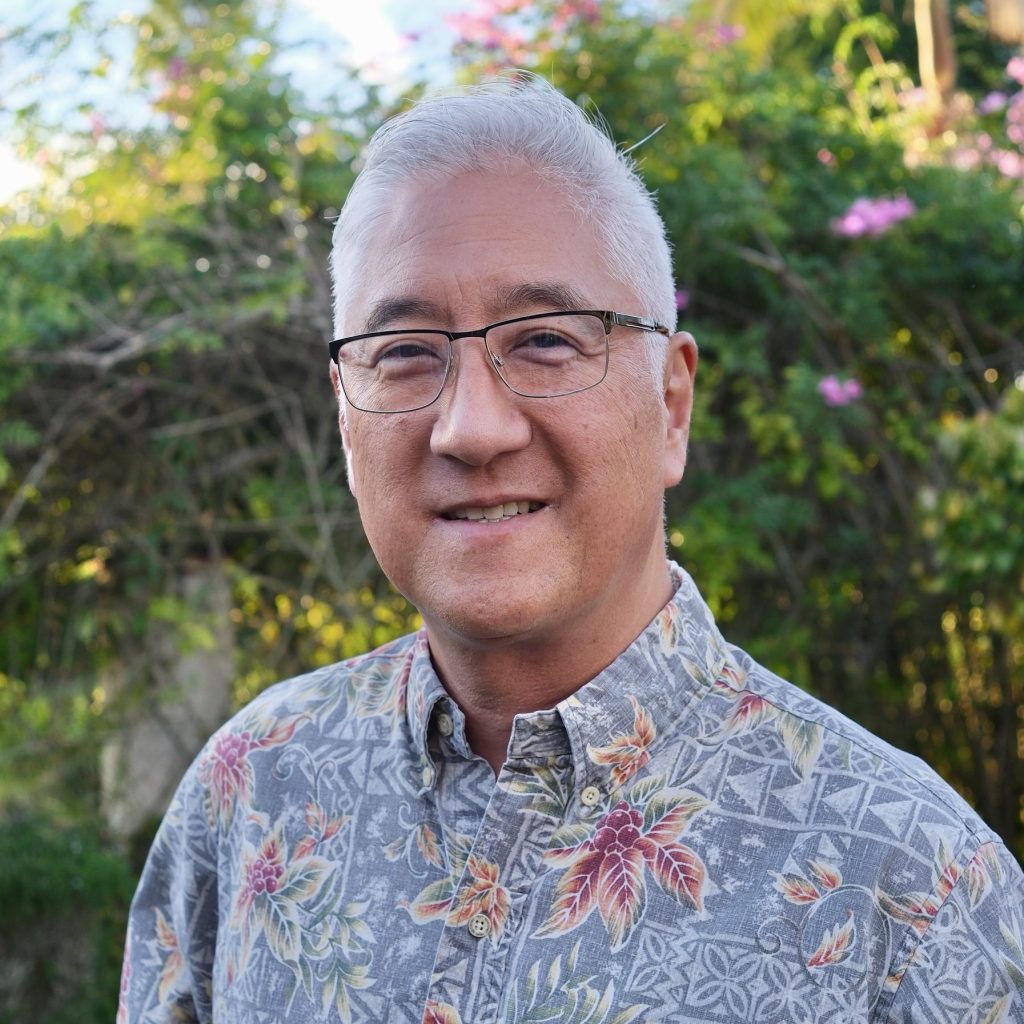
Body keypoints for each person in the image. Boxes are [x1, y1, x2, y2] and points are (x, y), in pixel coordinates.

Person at [120, 74, 1024, 1024]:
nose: (470, 428)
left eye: (548, 341)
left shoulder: (910, 890)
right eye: (405, 353)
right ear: (345, 417)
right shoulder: (252, 789)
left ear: (670, 407)